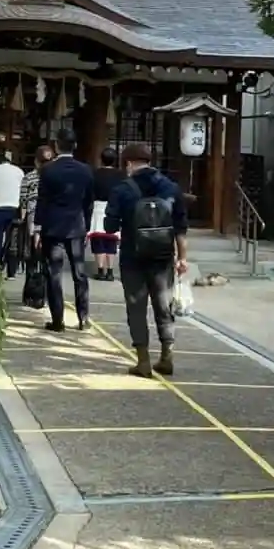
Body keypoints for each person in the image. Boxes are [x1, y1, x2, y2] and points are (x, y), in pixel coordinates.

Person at [104, 142, 188, 379]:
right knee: (163, 305)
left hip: (133, 256)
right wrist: (182, 258)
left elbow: (110, 226)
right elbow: (181, 227)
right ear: (150, 161)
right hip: (163, 257)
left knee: (136, 307)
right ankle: (167, 356)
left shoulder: (122, 189)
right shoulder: (171, 187)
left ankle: (143, 362)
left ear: (129, 163)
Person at [34, 128, 94, 332]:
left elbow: (42, 201)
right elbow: (88, 202)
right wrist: (86, 225)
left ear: (56, 146)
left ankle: (57, 320)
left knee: (54, 273)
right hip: (76, 226)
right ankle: (83, 318)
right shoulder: (85, 170)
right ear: (75, 146)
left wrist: (37, 227)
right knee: (79, 273)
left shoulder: (48, 170)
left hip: (52, 227)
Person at [19, 145, 53, 308]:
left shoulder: (29, 177)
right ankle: (43, 296)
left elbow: (23, 201)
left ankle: (29, 295)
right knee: (47, 260)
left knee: (31, 259)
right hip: (50, 222)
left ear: (36, 161)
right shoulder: (55, 177)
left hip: (32, 222)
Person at [0, 151, 24, 277]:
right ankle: (11, 271)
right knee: (13, 241)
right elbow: (23, 192)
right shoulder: (19, 171)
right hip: (14, 209)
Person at [88, 146, 124, 282]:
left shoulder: (95, 174)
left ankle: (100, 270)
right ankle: (110, 271)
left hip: (98, 207)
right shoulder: (120, 175)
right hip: (114, 207)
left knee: (98, 240)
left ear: (101, 159)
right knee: (111, 240)